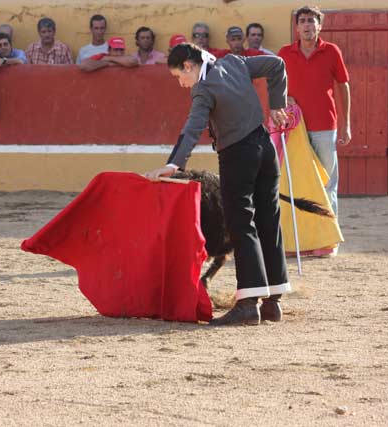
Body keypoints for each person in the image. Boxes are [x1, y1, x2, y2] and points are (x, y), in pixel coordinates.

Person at [144, 43, 291, 326]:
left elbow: (193, 127)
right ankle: (273, 303)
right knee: (268, 221)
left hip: (238, 155)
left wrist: (175, 164)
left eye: (178, 76)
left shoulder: (203, 89)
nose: (181, 84)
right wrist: (276, 104)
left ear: (188, 65)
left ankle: (248, 304)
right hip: (265, 149)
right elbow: (277, 65)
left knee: (242, 223)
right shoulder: (235, 63)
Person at [277, 5, 350, 224]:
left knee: (327, 181)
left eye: (311, 20)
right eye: (303, 21)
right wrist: (284, 98)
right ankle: (303, 234)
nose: (307, 25)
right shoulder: (284, 53)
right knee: (295, 181)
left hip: (325, 125)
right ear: (297, 27)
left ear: (320, 25)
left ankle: (329, 234)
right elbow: (274, 85)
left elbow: (343, 86)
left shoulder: (331, 51)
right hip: (294, 127)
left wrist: (346, 125)